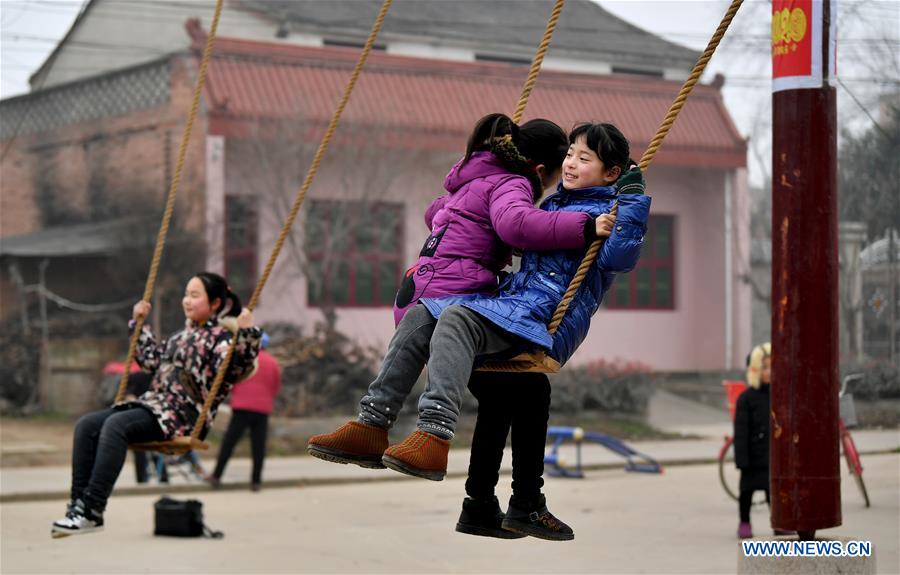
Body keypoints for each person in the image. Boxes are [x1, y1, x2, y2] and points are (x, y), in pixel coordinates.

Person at [309, 122, 649, 541]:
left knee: (462, 323)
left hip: (542, 318)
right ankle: (373, 423)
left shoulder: (612, 212)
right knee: (425, 316)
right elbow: (522, 232)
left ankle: (436, 433)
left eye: (584, 158)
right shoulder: (551, 202)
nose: (571, 164)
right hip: (514, 304)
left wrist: (631, 202)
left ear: (611, 172)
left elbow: (620, 257)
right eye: (569, 155)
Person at [51, 272, 261, 538]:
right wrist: (139, 325)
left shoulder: (222, 341)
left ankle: (92, 509)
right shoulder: (179, 336)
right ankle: (78, 507)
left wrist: (247, 333)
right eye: (186, 294)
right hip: (156, 406)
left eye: (195, 295)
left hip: (183, 415)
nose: (186, 300)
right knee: (86, 425)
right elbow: (150, 361)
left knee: (116, 425)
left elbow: (236, 366)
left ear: (215, 303)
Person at [208, 331, 282, 491]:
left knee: (229, 443)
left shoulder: (243, 359)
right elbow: (275, 386)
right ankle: (256, 482)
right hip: (262, 409)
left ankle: (216, 476)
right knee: (258, 447)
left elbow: (232, 381)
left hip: (241, 407)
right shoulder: (273, 363)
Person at [734, 342, 792, 539]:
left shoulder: (779, 396)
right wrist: (742, 460)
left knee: (773, 493)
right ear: (756, 370)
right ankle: (744, 522)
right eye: (764, 367)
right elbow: (740, 432)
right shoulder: (746, 398)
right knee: (746, 492)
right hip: (751, 457)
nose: (769, 372)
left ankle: (778, 523)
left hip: (771, 456)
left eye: (772, 367)